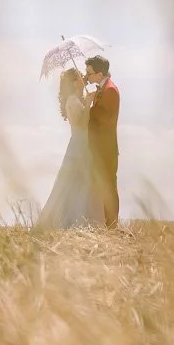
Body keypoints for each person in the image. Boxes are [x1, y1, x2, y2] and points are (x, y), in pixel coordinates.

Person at [36, 67, 101, 230]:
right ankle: (72, 221)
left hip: (84, 143)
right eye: (79, 77)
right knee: (74, 183)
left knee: (82, 183)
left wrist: (88, 101)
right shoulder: (72, 101)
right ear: (73, 83)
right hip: (79, 146)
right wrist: (88, 104)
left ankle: (85, 220)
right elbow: (81, 124)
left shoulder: (77, 98)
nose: (83, 78)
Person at [83, 55, 120, 228]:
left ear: (99, 74)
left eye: (89, 73)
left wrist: (89, 108)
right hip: (100, 147)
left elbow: (106, 119)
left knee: (109, 185)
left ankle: (112, 225)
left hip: (106, 147)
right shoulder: (103, 89)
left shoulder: (110, 90)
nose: (86, 76)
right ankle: (107, 223)